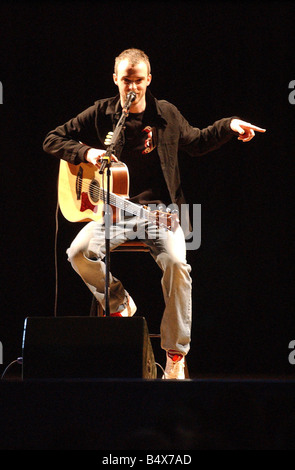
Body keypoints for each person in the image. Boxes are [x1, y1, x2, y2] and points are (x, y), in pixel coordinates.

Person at [43, 48, 265, 379]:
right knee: (77, 252)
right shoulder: (102, 113)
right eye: (126, 81)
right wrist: (86, 152)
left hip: (161, 214)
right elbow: (53, 139)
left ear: (148, 80)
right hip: (117, 211)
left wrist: (229, 124)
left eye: (138, 81)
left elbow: (198, 141)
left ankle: (175, 355)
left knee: (177, 265)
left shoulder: (166, 114)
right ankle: (119, 303)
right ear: (115, 79)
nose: (132, 88)